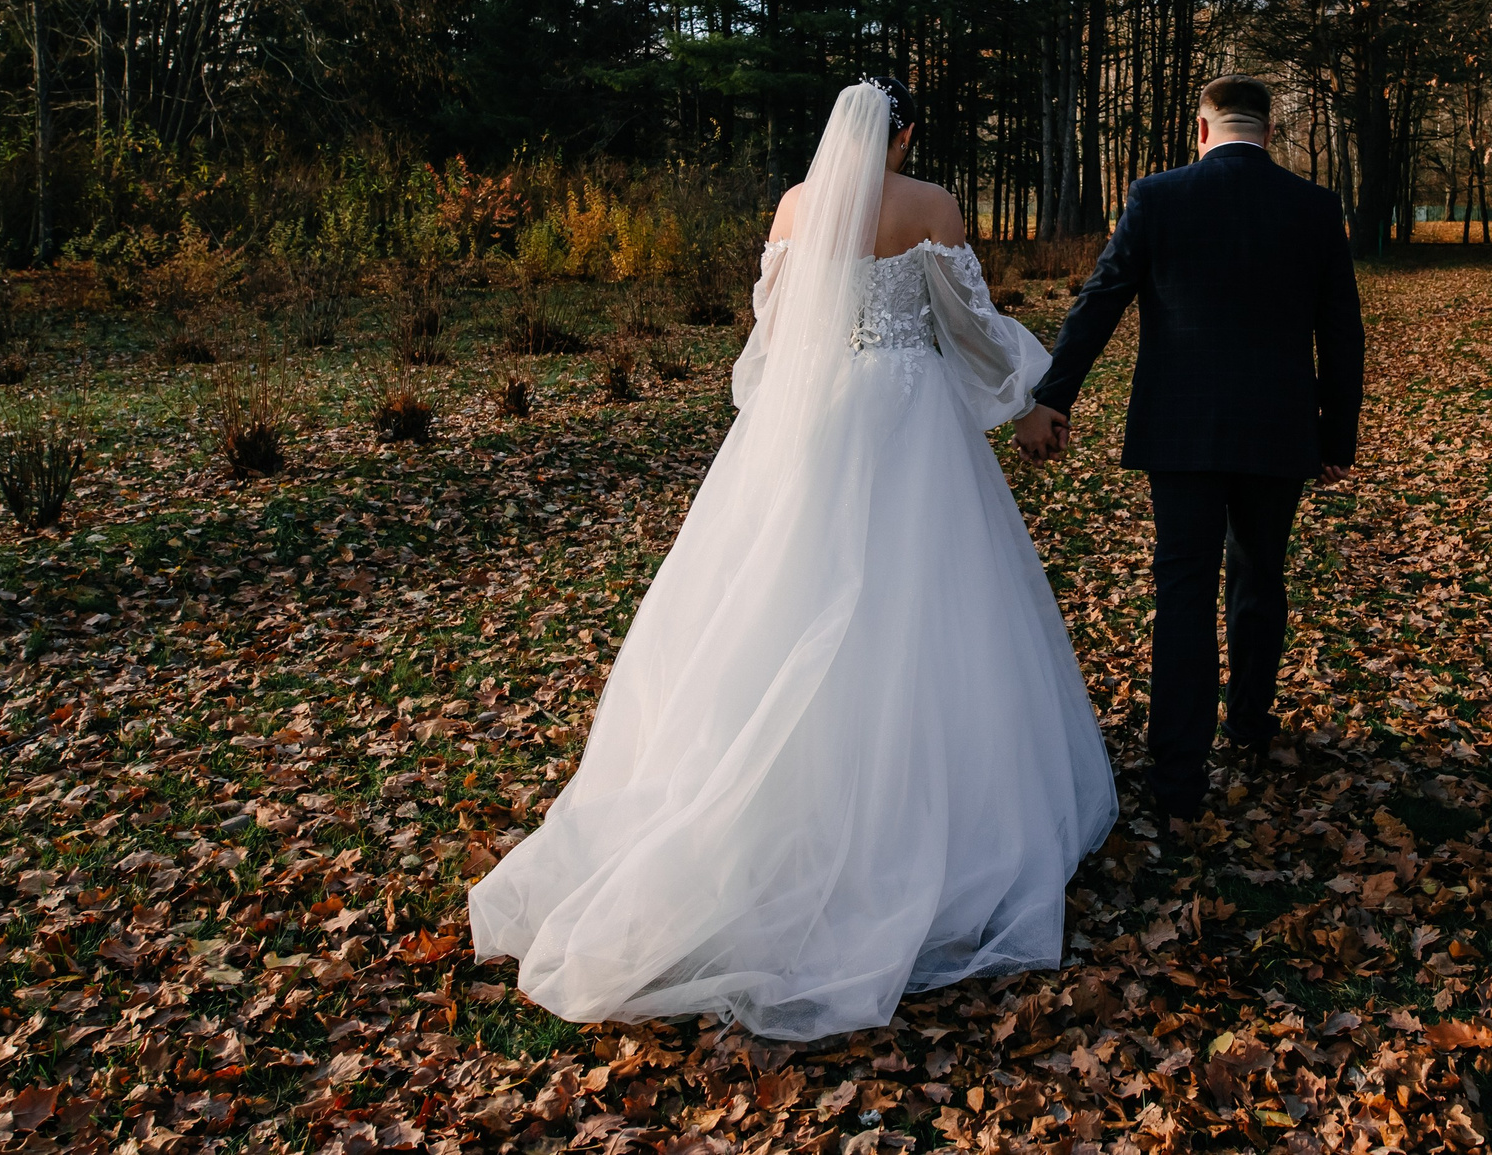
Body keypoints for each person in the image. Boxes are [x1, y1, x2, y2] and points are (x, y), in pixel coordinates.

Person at [470, 78, 1117, 1042]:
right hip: (908, 421)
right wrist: (1028, 398)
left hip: (809, 423)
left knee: (785, 599)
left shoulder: (793, 207)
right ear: (904, 136)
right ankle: (912, 825)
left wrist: (777, 415)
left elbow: (774, 328)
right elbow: (971, 326)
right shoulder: (930, 205)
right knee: (920, 610)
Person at [1015, 74, 1363, 821]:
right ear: (1267, 132)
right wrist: (1337, 436)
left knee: (1183, 588)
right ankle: (1249, 721)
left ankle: (1177, 774)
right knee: (1261, 573)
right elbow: (1341, 331)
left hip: (1180, 430)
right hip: (1278, 428)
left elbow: (1100, 299)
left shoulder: (1158, 197)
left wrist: (1053, 396)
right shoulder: (1314, 208)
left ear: (1201, 130)